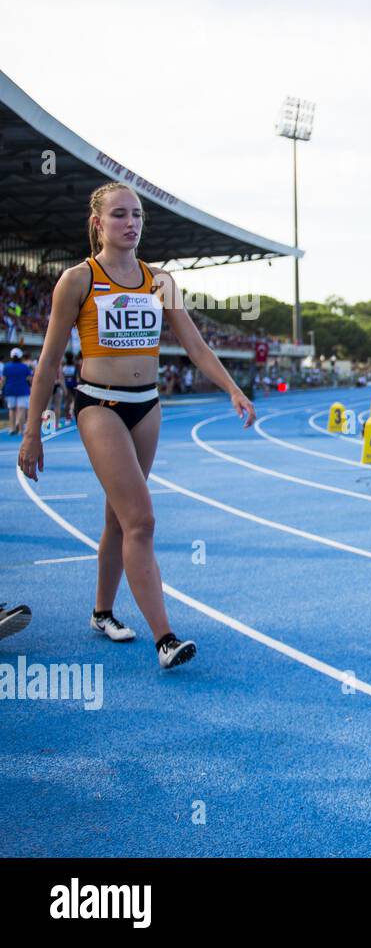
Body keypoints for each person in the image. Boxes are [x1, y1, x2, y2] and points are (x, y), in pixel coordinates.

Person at [17, 181, 256, 670]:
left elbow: (195, 346)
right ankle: (164, 637)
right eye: (121, 215)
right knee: (141, 520)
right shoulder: (79, 280)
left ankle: (102, 611)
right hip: (99, 405)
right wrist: (32, 430)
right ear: (98, 224)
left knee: (117, 518)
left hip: (146, 406)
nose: (132, 224)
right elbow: (48, 361)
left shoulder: (160, 281)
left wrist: (231, 388)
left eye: (139, 216)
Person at [3, 347, 32, 435]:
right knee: (21, 410)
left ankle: (12, 428)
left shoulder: (6, 366)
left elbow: (3, 380)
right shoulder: (25, 367)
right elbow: (30, 379)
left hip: (10, 390)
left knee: (12, 410)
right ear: (20, 356)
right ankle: (21, 430)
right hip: (23, 390)